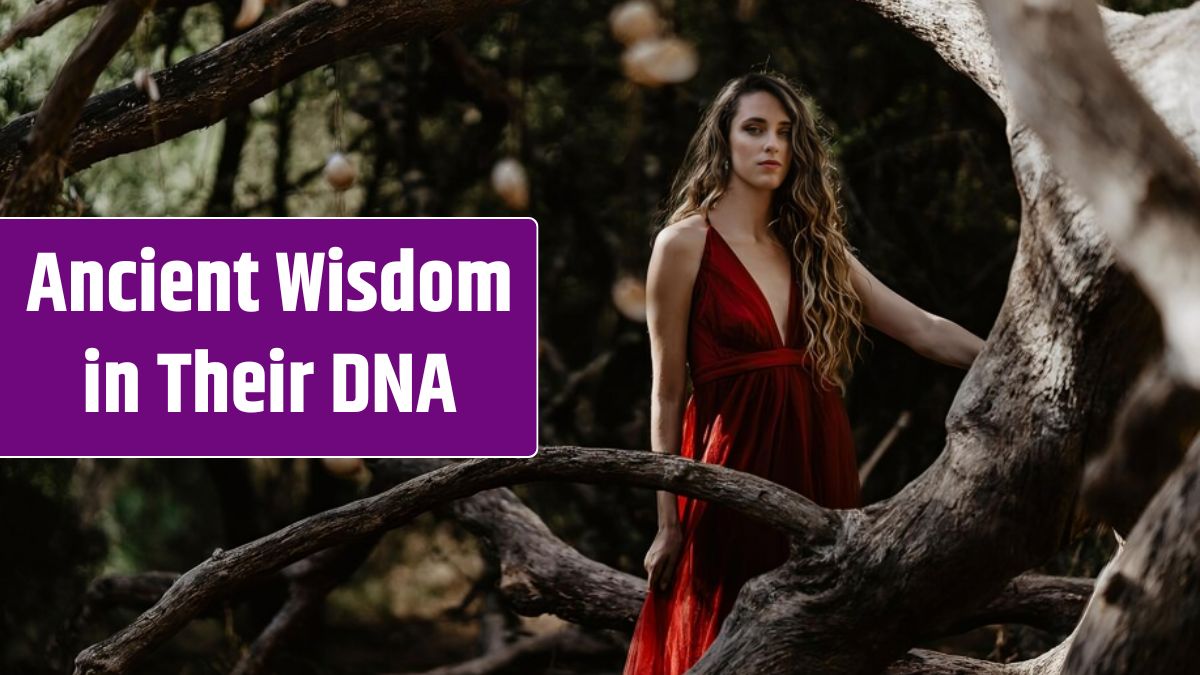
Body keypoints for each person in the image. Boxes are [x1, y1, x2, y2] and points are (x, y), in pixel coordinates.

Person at [622, 72, 985, 674]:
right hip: (729, 471)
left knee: (819, 632)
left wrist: (1023, 359)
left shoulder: (814, 245)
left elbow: (922, 329)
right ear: (724, 140)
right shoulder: (683, 245)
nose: (772, 146)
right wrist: (667, 522)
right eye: (755, 129)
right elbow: (666, 393)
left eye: (785, 133)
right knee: (729, 633)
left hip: (819, 458)